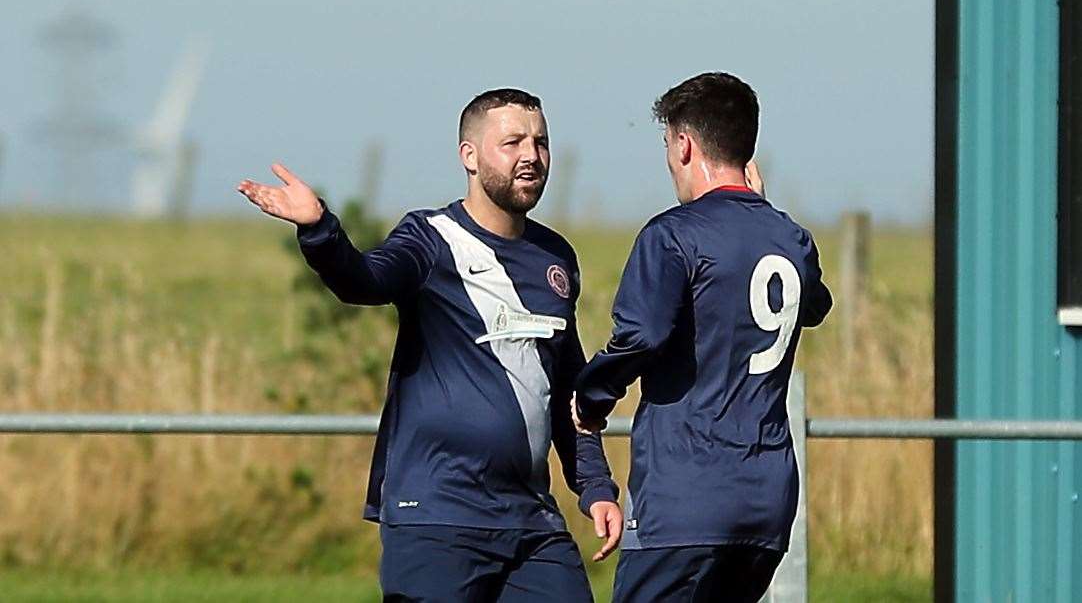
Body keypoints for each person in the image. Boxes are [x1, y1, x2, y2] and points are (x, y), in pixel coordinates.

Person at [239, 88, 621, 602]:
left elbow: (568, 388)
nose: (531, 156)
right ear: (469, 155)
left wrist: (594, 486)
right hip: (437, 516)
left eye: (541, 142)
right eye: (512, 142)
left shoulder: (555, 256)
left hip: (530, 520)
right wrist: (320, 231)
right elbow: (363, 282)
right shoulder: (430, 238)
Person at [572, 72, 832, 603]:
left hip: (686, 498)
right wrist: (761, 213)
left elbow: (641, 335)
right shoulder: (790, 236)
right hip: (766, 500)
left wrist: (591, 396)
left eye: (669, 145)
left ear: (685, 144)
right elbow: (817, 303)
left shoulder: (672, 235)